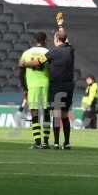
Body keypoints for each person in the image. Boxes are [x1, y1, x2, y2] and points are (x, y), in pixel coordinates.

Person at [20, 13, 74, 150]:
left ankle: (45, 142)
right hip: (59, 85)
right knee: (56, 114)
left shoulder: (50, 53)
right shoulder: (68, 50)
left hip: (45, 86)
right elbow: (64, 38)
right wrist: (60, 24)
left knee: (40, 113)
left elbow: (37, 63)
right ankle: (57, 142)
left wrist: (25, 64)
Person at [18, 31, 51, 149]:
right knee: (47, 113)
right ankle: (46, 142)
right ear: (45, 40)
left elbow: (21, 73)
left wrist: (25, 88)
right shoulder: (48, 52)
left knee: (34, 114)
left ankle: (37, 143)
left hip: (32, 86)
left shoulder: (26, 53)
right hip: (46, 84)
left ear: (34, 40)